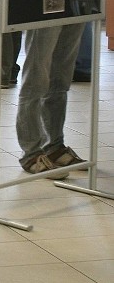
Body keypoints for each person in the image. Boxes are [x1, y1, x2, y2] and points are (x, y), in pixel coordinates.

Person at [16, 23, 86, 175]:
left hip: (76, 3)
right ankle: (31, 153)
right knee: (35, 78)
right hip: (42, 5)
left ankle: (54, 147)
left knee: (60, 78)